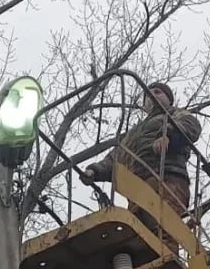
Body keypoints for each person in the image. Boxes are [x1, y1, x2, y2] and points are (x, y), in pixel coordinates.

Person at [80, 82, 201, 252]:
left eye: (158, 92)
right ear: (144, 105)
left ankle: (167, 262)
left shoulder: (175, 114)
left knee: (165, 231)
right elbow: (115, 158)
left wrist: (167, 135)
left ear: (169, 99)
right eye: (148, 94)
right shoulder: (133, 133)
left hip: (167, 179)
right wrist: (94, 171)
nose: (152, 96)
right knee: (138, 237)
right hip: (136, 189)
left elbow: (190, 125)